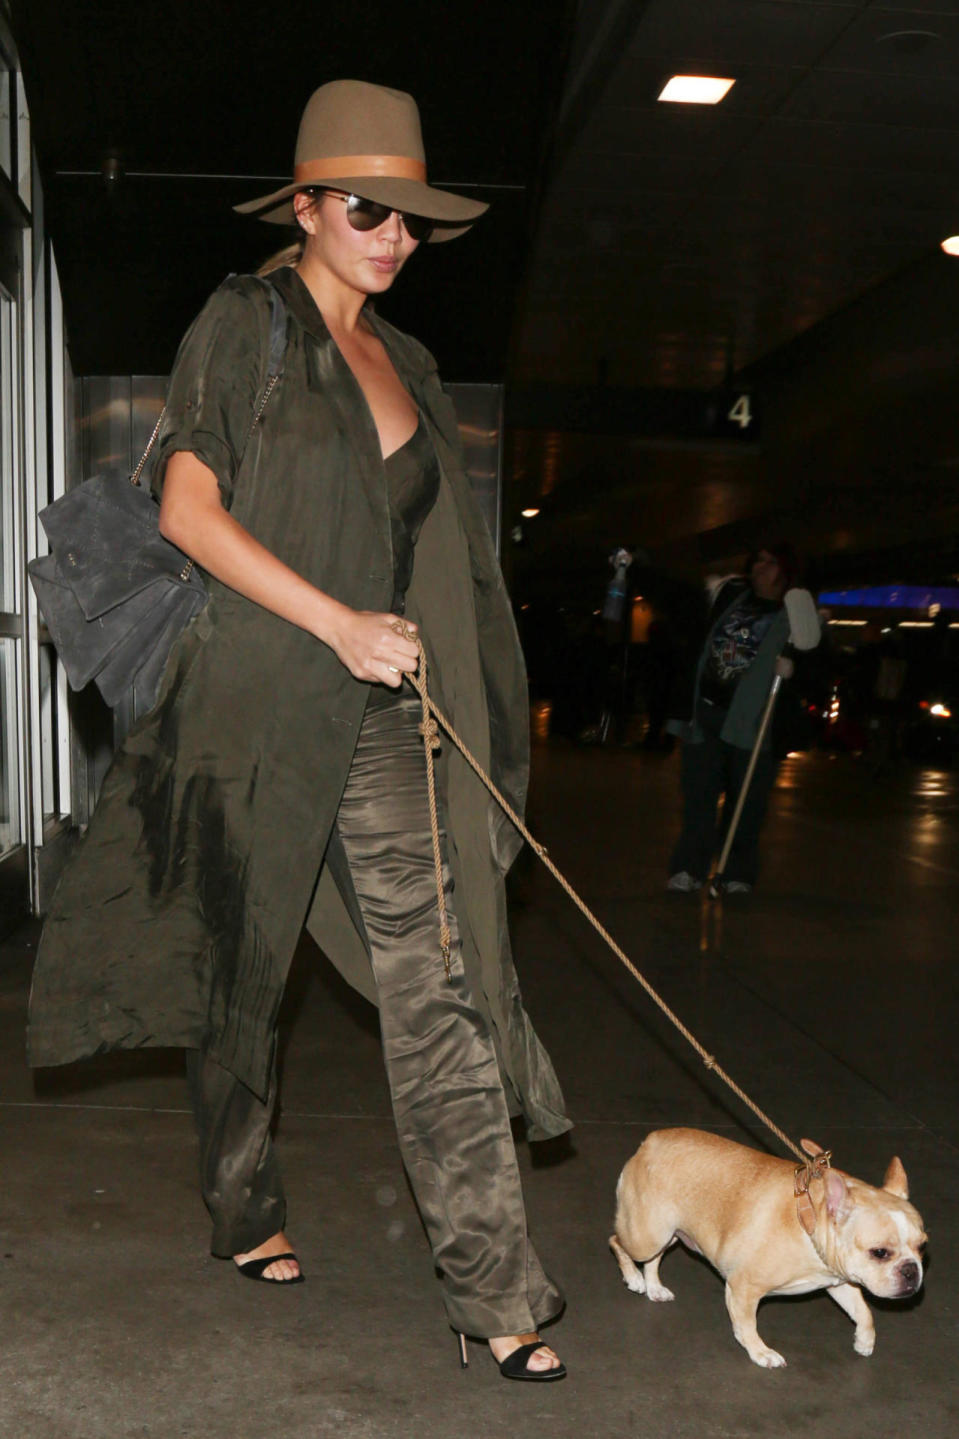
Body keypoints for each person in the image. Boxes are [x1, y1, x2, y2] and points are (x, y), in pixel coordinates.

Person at [28, 80, 568, 1382]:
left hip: (382, 712)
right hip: (253, 706)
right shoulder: (245, 322)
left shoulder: (413, 362)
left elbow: (434, 552)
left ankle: (490, 1280)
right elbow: (187, 511)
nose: (392, 236)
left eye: (412, 218)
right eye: (367, 209)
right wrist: (335, 621)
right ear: (309, 204)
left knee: (432, 985)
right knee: (240, 971)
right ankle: (245, 1201)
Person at [666, 543, 819, 894]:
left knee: (747, 803)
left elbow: (816, 659)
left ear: (786, 570)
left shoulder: (796, 609)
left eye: (770, 562)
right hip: (705, 713)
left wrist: (796, 669)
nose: (760, 568)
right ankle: (689, 868)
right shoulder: (731, 597)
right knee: (698, 797)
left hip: (755, 724)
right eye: (758, 561)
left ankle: (737, 871)